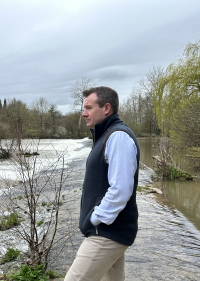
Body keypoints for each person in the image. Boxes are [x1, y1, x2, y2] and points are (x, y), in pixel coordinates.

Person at [65, 86, 140, 281]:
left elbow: (121, 189)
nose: (84, 113)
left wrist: (94, 219)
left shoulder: (118, 137)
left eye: (89, 108)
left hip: (107, 233)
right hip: (110, 231)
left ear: (106, 108)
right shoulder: (106, 135)